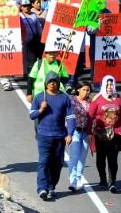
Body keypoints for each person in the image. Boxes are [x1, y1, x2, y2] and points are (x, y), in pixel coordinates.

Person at [30, 71, 76, 201]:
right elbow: (32, 115)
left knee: (58, 163)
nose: (52, 84)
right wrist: (41, 109)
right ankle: (42, 188)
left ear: (58, 83)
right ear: (46, 83)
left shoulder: (65, 98)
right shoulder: (39, 97)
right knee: (43, 162)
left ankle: (51, 186)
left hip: (60, 136)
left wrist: (70, 133)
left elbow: (71, 117)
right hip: (44, 136)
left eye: (55, 81)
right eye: (50, 82)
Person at [88, 76, 121, 192]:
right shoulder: (97, 99)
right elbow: (90, 117)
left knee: (113, 160)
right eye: (107, 85)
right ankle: (102, 179)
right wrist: (89, 133)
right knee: (100, 160)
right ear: (103, 86)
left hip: (115, 135)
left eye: (111, 85)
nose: (109, 87)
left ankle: (112, 182)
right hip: (100, 135)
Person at [67, 82, 92, 192]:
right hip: (75, 131)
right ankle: (72, 180)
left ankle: (78, 178)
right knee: (74, 156)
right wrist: (67, 133)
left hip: (86, 132)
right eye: (84, 90)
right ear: (78, 90)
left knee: (82, 157)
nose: (86, 92)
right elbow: (66, 117)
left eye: (88, 90)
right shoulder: (71, 101)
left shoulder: (91, 102)